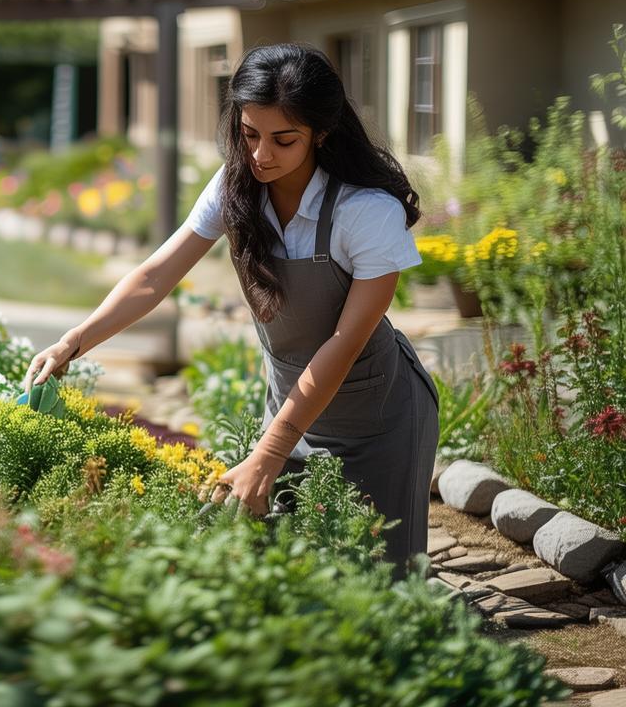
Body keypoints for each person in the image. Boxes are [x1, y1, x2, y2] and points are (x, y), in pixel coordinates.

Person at [24, 43, 439, 575]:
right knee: (281, 573)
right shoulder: (235, 188)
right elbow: (154, 277)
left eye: (283, 139)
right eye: (249, 134)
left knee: (379, 579)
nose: (261, 154)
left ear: (321, 133)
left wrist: (269, 452)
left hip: (376, 422)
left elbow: (345, 342)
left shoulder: (366, 212)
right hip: (290, 407)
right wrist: (74, 341)